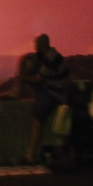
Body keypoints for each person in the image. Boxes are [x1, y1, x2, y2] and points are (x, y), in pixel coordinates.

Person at [22, 34, 69, 163]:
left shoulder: (50, 59)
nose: (34, 46)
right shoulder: (53, 56)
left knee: (37, 121)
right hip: (55, 92)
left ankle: (30, 155)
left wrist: (22, 77)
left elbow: (38, 79)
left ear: (41, 45)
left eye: (36, 44)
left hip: (53, 94)